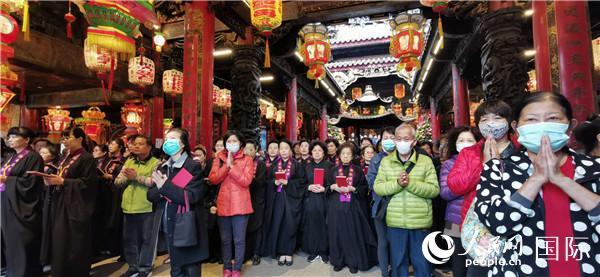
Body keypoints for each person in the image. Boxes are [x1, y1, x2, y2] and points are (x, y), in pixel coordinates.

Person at [474, 92, 600, 276]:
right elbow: (496, 223)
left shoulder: (593, 168)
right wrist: (537, 178)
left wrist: (562, 180)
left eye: (553, 118)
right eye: (532, 119)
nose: (542, 126)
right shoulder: (498, 169)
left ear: (570, 125)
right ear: (516, 128)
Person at [374, 124, 440, 277]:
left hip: (420, 222)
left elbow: (434, 190)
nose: (402, 142)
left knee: (422, 265)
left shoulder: (425, 161)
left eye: (406, 138)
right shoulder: (386, 162)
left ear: (414, 142)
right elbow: (378, 188)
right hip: (395, 222)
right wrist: (397, 184)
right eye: (398, 139)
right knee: (398, 264)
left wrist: (411, 184)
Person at [148, 128, 208, 276]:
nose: (168, 142)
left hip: (186, 225)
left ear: (182, 144)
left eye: (172, 139)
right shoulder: (163, 167)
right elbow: (151, 195)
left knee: (190, 267)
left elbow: (190, 196)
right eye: (166, 139)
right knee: (176, 269)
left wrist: (165, 187)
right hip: (169, 224)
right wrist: (165, 189)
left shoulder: (191, 166)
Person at [43, 127, 99, 276]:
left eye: (68, 137)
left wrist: (63, 182)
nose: (65, 141)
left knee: (73, 242)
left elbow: (88, 184)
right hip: (61, 201)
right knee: (60, 241)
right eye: (63, 138)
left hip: (75, 206)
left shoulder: (87, 158)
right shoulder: (66, 156)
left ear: (80, 139)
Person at [208, 131, 255, 277]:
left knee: (239, 240)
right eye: (229, 141)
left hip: (241, 205)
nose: (231, 143)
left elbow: (246, 181)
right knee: (225, 240)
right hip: (223, 204)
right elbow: (213, 179)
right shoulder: (219, 158)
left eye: (234, 141)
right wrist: (226, 166)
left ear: (240, 143)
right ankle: (227, 267)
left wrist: (232, 167)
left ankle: (237, 268)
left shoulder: (247, 159)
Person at [115, 135, 162, 277]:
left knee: (146, 239)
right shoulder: (129, 161)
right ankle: (133, 266)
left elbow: (153, 182)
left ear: (149, 147)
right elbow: (117, 181)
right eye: (135, 144)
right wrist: (125, 178)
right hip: (128, 207)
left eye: (140, 144)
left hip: (146, 206)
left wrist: (135, 177)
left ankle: (145, 268)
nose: (136, 146)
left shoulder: (156, 163)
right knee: (129, 240)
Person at [0, 127, 44, 276]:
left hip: (21, 206)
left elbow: (31, 183)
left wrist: (7, 179)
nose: (10, 139)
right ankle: (13, 271)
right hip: (7, 202)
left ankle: (24, 273)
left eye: (14, 136)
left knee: (22, 241)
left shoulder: (33, 157)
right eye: (9, 137)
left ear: (27, 140)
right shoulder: (10, 156)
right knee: (9, 241)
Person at [327, 142, 377, 273]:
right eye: (343, 153)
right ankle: (338, 261)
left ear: (352, 156)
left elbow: (364, 188)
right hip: (336, 208)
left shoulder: (357, 170)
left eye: (348, 154)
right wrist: (333, 187)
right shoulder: (332, 170)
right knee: (337, 235)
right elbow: (327, 187)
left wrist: (353, 188)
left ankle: (353, 262)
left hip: (353, 207)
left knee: (352, 234)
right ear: (339, 155)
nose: (345, 156)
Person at [439, 126, 479, 277]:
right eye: (461, 140)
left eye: (470, 140)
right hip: (455, 223)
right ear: (455, 144)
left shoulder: (485, 161)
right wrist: (469, 181)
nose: (465, 143)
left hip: (480, 222)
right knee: (460, 267)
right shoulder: (449, 164)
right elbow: (445, 193)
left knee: (478, 268)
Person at [262, 139, 307, 266]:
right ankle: (281, 252)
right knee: (279, 224)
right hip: (277, 200)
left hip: (292, 200)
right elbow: (268, 181)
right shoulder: (274, 166)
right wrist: (274, 183)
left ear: (290, 150)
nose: (283, 151)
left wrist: (289, 183)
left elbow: (302, 181)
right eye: (281, 149)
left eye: (286, 148)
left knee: (290, 225)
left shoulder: (297, 165)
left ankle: (289, 252)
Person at [366, 126, 396, 277]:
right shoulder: (376, 159)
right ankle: (385, 272)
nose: (389, 141)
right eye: (385, 138)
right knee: (383, 242)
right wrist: (391, 185)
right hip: (381, 206)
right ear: (380, 141)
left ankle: (396, 270)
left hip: (399, 206)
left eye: (392, 137)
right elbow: (371, 183)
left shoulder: (403, 157)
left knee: (397, 242)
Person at [302, 141, 333, 264]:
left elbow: (333, 182)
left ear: (324, 152)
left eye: (320, 150)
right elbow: (301, 183)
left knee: (325, 224)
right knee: (312, 224)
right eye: (314, 150)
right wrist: (308, 187)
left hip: (325, 198)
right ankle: (313, 250)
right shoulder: (306, 166)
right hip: (311, 199)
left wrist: (325, 189)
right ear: (311, 152)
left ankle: (324, 251)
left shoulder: (330, 166)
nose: (317, 152)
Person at [243, 141, 267, 266]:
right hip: (243, 200)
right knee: (244, 228)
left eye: (250, 149)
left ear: (256, 150)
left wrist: (249, 178)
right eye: (245, 149)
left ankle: (256, 253)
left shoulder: (260, 164)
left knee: (257, 227)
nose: (247, 152)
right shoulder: (241, 163)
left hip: (256, 200)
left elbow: (261, 182)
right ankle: (246, 253)